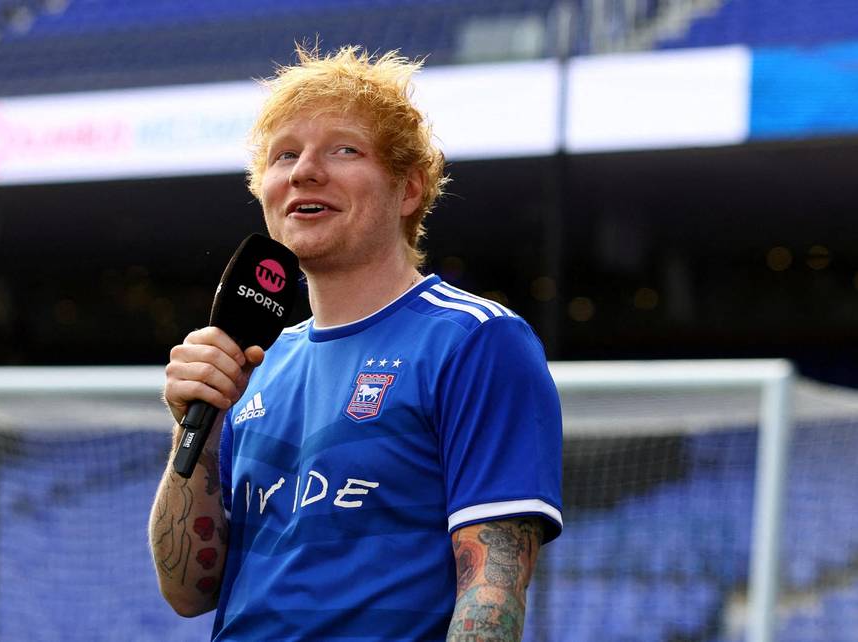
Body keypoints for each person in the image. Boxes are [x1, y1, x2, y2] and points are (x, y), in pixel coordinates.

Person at [149, 44, 563, 641]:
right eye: (284, 154)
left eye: (343, 149)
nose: (303, 171)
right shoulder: (253, 365)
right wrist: (199, 427)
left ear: (409, 189)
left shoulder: (475, 340)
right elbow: (187, 591)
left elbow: (491, 592)